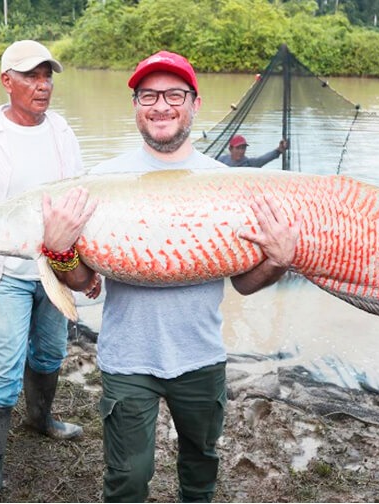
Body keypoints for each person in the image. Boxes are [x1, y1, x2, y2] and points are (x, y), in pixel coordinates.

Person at [41, 50, 300, 502]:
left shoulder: (227, 183)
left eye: (174, 94)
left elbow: (243, 282)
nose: (161, 105)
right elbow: (84, 283)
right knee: (127, 479)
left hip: (200, 358)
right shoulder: (102, 180)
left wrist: (276, 261)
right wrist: (60, 251)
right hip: (128, 358)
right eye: (148, 95)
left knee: (200, 472)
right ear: (136, 106)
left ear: (195, 104)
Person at [0, 40, 90, 503]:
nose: (42, 85)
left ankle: (40, 419)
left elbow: (82, 204)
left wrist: (85, 268)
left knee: (49, 353)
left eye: (48, 76)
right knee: (0, 370)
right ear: (7, 80)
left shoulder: (63, 132)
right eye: (31, 76)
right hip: (5, 272)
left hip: (55, 268)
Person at [217, 134, 287, 167]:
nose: (241, 151)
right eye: (238, 148)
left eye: (243, 148)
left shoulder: (249, 163)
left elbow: (263, 159)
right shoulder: (221, 161)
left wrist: (278, 150)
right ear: (230, 149)